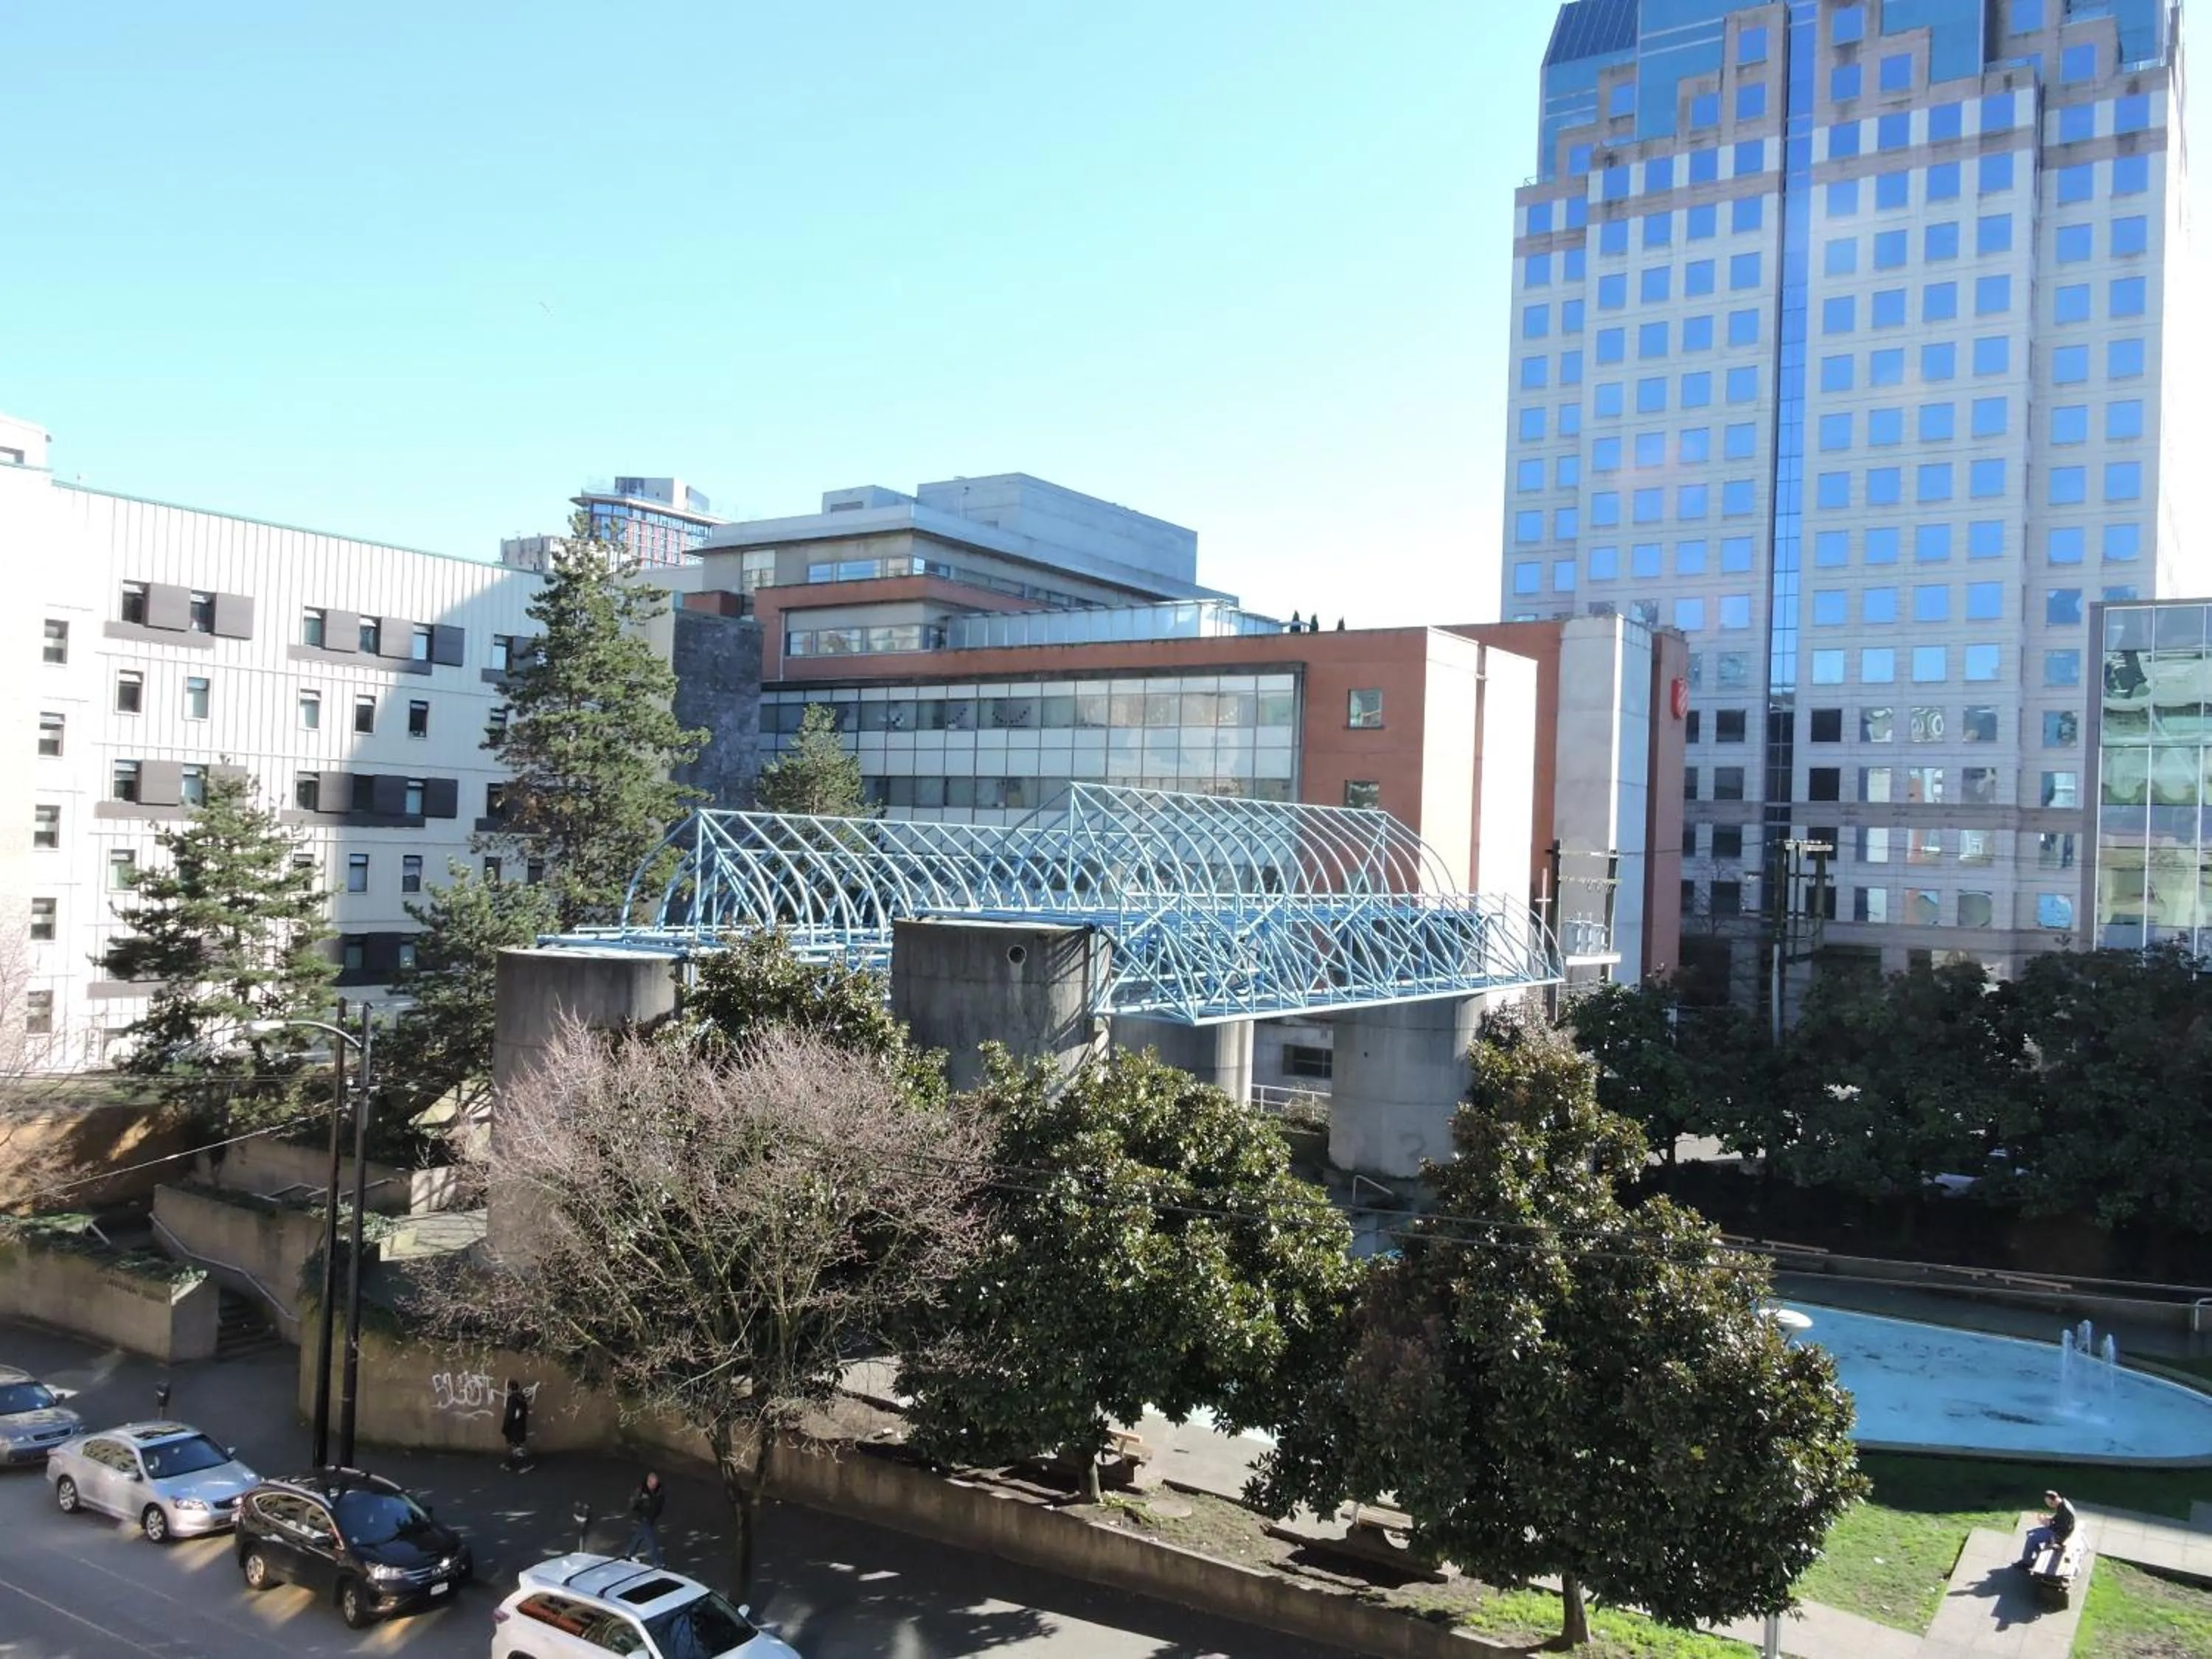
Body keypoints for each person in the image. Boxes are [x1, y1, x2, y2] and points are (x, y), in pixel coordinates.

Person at [2018, 1489, 2079, 1569]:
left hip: (2059, 1536)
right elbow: (2059, 1519)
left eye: (2050, 1503)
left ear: (2054, 1500)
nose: (2049, 1506)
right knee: (2029, 1532)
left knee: (2031, 1538)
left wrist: (2047, 1523)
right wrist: (2049, 1519)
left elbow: (2062, 1529)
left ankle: (2026, 1563)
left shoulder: (2066, 1511)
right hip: (2057, 1530)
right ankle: (2038, 1556)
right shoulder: (2062, 1504)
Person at [626, 1471, 667, 1567]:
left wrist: (656, 1514)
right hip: (643, 1518)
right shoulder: (641, 1491)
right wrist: (635, 1516)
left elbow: (659, 1504)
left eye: (655, 1484)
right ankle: (657, 1562)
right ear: (648, 1482)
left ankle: (629, 1554)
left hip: (651, 1518)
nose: (654, 1486)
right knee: (651, 1540)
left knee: (639, 1536)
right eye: (652, 1484)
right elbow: (634, 1503)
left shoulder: (659, 1491)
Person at [501, 1380, 532, 1472]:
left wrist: (505, 1427)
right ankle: (508, 1464)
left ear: (510, 1388)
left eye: (508, 1388)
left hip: (514, 1428)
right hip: (520, 1426)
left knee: (517, 1447)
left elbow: (510, 1415)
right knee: (514, 1447)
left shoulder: (512, 1399)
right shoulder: (521, 1398)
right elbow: (524, 1412)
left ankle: (527, 1465)